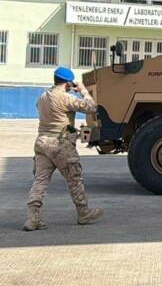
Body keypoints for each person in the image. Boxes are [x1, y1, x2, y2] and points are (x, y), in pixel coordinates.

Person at [23, 67, 104, 231]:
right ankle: (84, 213)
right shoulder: (66, 98)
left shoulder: (42, 97)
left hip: (42, 143)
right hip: (60, 144)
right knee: (74, 179)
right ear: (68, 83)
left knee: (40, 181)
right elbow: (92, 107)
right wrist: (83, 91)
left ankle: (32, 219)